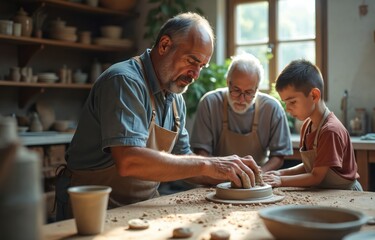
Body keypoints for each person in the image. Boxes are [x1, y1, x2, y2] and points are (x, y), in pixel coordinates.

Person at [55, 12, 260, 221]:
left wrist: (234, 175)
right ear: (164, 45)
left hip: (141, 207)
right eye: (192, 61)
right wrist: (211, 165)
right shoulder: (124, 81)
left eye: (201, 66)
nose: (195, 74)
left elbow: (185, 163)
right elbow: (129, 161)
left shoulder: (175, 97)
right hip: (92, 206)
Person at [263, 59, 363, 191]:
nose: (288, 109)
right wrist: (281, 173)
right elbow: (312, 166)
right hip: (327, 192)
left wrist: (281, 180)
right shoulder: (308, 125)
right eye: (286, 103)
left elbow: (316, 176)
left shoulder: (330, 131)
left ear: (314, 95)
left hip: (345, 193)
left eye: (292, 102)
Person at [190, 52, 293, 172]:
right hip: (217, 176)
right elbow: (201, 152)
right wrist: (223, 173)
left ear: (257, 89)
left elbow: (279, 156)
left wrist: (257, 174)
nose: (241, 99)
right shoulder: (210, 103)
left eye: (249, 92)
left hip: (257, 176)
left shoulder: (272, 108)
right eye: (236, 90)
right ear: (228, 82)